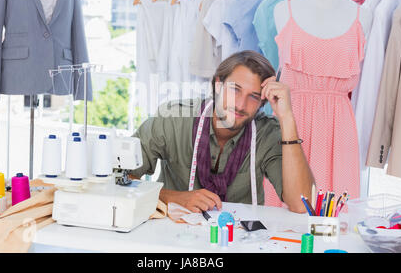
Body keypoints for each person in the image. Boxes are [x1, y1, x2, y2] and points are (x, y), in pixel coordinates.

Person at [131, 51, 315, 213]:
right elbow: (118, 179)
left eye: (254, 97)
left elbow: (302, 205)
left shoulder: (266, 133)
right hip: (174, 235)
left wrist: (287, 117)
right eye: (235, 89)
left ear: (263, 102)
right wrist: (174, 197)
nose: (241, 105)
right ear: (218, 85)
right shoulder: (173, 119)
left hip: (238, 240)